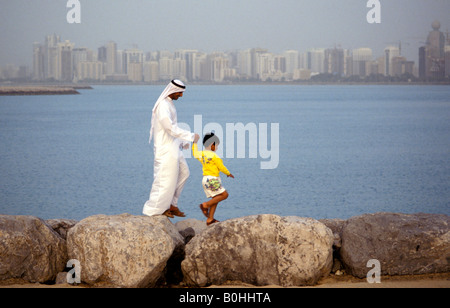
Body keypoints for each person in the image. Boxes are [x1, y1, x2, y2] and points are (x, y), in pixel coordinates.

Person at [143, 80, 200, 218]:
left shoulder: (170, 104)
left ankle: (172, 205)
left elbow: (172, 128)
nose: (181, 95)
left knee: (184, 173)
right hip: (165, 150)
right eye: (180, 92)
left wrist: (182, 142)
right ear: (173, 91)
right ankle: (154, 210)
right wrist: (190, 136)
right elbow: (169, 128)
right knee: (164, 180)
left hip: (174, 148)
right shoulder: (163, 105)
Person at [192, 132, 234, 225]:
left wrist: (195, 143)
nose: (217, 148)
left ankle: (210, 219)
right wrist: (228, 173)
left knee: (215, 198)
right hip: (212, 180)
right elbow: (221, 167)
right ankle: (205, 205)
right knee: (224, 195)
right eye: (216, 146)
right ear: (212, 145)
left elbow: (194, 153)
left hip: (205, 180)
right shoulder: (215, 156)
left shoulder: (202, 155)